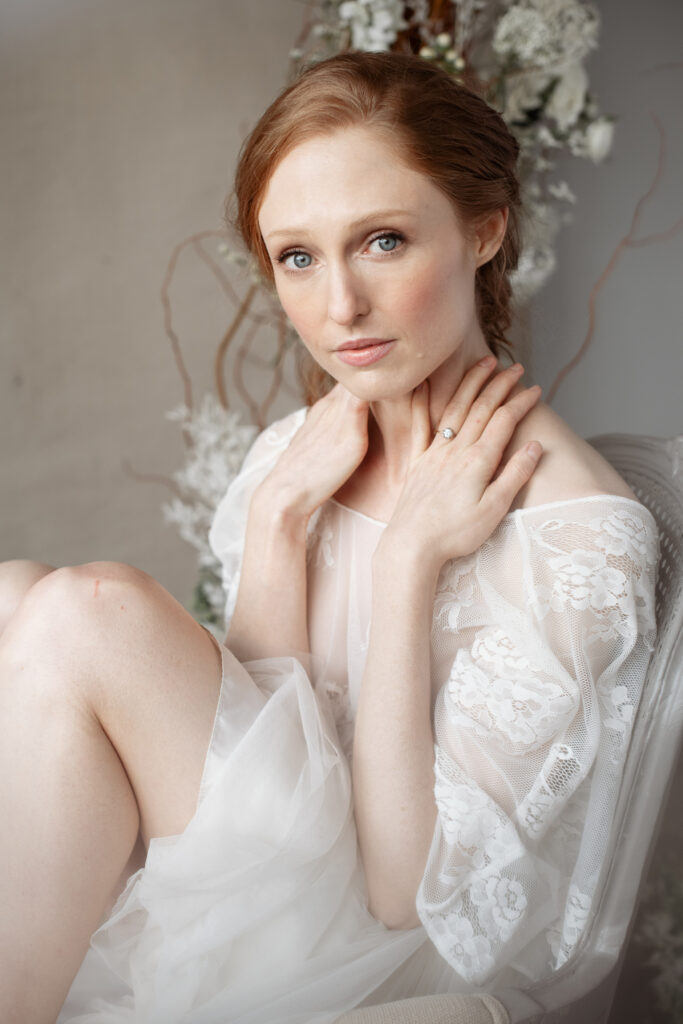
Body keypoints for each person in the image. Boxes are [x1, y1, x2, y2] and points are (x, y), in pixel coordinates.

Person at [0, 51, 658, 1024]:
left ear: (483, 228)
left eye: (382, 240)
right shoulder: (295, 451)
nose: (337, 305)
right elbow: (260, 728)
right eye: (297, 256)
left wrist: (406, 566)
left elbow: (402, 891)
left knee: (77, 611)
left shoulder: (573, 531)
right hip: (274, 859)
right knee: (16, 591)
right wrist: (277, 521)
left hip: (381, 943)